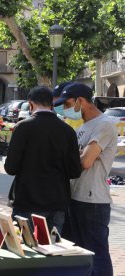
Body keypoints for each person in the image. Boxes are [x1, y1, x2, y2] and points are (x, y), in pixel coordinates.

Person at [54, 83, 117, 276]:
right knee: (81, 254)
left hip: (93, 202)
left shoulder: (104, 124)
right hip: (76, 197)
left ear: (80, 101)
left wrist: (77, 156)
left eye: (67, 104)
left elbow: (86, 161)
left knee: (97, 255)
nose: (65, 109)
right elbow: (78, 158)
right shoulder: (83, 127)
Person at [4, 86, 82, 233]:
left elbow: (11, 167)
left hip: (27, 201)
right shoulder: (68, 131)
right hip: (57, 202)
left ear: (30, 104)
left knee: (28, 251)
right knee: (54, 249)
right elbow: (75, 171)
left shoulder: (23, 127)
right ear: (52, 105)